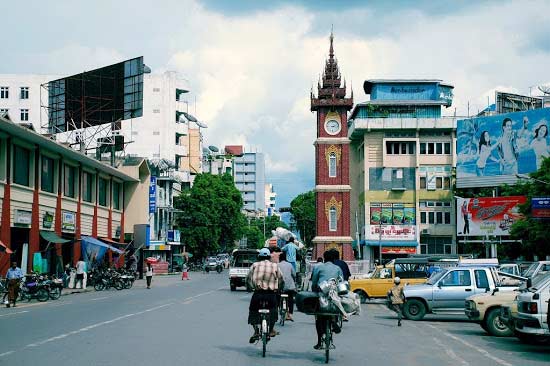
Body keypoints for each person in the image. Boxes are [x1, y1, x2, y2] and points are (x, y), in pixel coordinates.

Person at [246, 248, 284, 343]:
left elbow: (248, 278)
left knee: (253, 311)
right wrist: (279, 288)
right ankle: (271, 329)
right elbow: (281, 279)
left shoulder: (254, 265)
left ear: (259, 257)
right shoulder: (275, 266)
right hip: (271, 294)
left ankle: (256, 332)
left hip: (258, 293)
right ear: (268, 257)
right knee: (274, 312)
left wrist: (250, 287)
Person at [311, 250, 344, 350]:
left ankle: (319, 342)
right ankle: (334, 322)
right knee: (337, 307)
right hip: (333, 295)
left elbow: (314, 282)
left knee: (318, 318)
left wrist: (314, 290)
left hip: (321, 294)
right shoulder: (338, 268)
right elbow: (341, 282)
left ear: (324, 258)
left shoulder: (318, 267)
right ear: (334, 259)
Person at [278, 251, 296, 322]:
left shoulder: (277, 265)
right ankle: (290, 313)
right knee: (290, 299)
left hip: (280, 287)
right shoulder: (290, 265)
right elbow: (294, 274)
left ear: (280, 258)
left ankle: (279, 309)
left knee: (277, 298)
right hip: (289, 287)